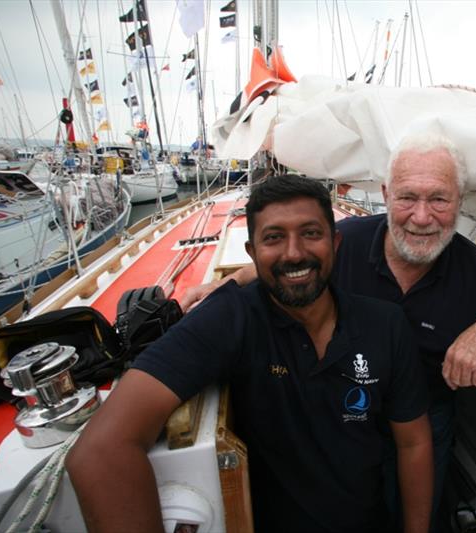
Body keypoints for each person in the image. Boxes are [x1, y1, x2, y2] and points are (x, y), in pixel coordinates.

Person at [181, 134, 476, 529]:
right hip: (343, 412)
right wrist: (219, 287)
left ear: (460, 201)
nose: (422, 217)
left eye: (439, 199)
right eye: (408, 198)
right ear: (386, 195)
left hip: (426, 418)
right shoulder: (345, 242)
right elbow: (273, 267)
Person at [66, 174, 433, 533]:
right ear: (252, 254)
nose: (294, 252)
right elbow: (101, 450)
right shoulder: (231, 317)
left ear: (335, 243)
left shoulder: (385, 324)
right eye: (274, 238)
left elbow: (413, 442)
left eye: (311, 233)